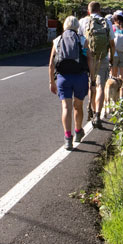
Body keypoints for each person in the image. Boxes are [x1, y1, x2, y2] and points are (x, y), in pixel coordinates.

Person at [49, 15, 88, 150]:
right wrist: (93, 78)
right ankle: (78, 131)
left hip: (63, 77)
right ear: (77, 26)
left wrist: (51, 82)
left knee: (66, 107)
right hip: (79, 77)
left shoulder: (57, 40)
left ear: (65, 25)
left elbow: (51, 64)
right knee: (78, 106)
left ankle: (67, 138)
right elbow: (89, 60)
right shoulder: (82, 40)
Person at [78, 1, 114, 129]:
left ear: (88, 11)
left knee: (91, 85)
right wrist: (111, 59)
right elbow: (112, 43)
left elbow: (78, 40)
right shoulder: (107, 22)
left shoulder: (83, 22)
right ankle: (98, 115)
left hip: (86, 57)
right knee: (100, 86)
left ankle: (92, 110)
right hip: (102, 58)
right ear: (100, 10)